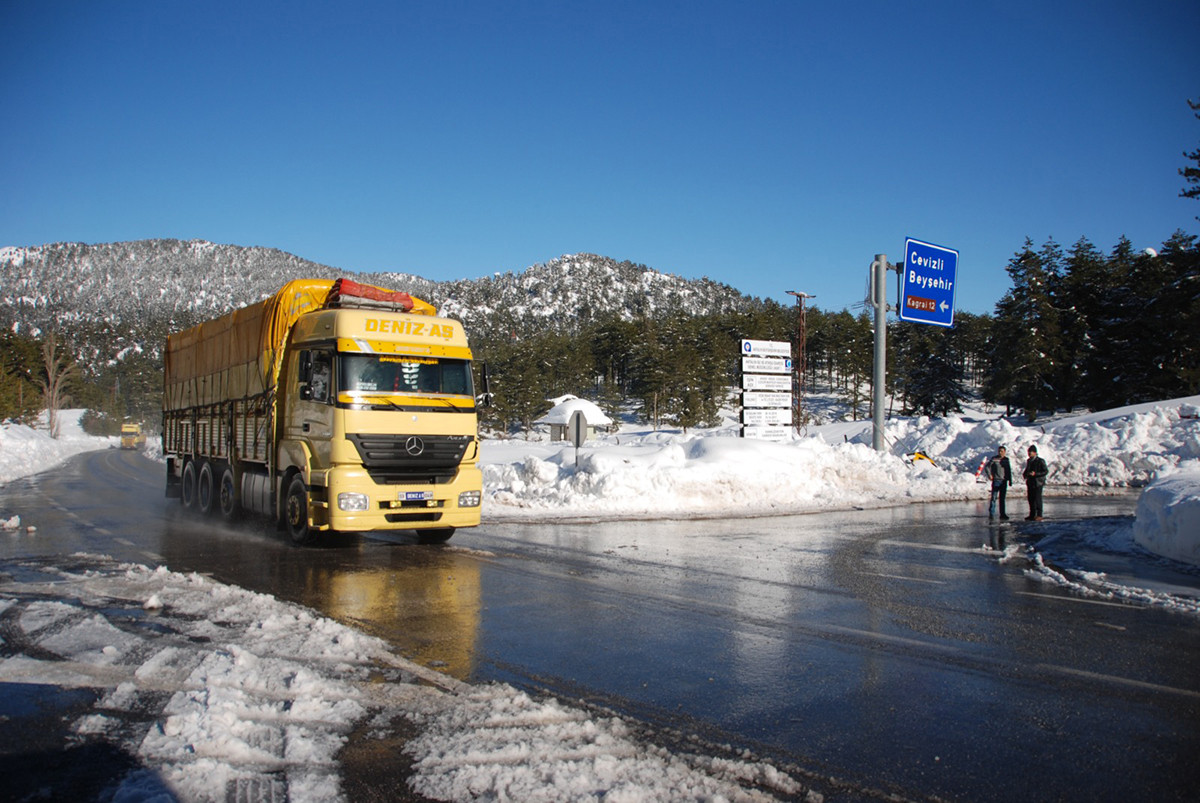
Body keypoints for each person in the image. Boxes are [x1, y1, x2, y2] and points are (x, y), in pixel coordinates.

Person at [985, 445, 1012, 521]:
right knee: (994, 497)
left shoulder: (1006, 460)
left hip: (1004, 481)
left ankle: (1003, 514)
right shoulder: (994, 459)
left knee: (1002, 498)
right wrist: (989, 475)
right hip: (996, 480)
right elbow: (987, 467)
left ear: (1005, 452)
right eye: (999, 451)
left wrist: (1010, 480)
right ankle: (991, 513)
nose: (1000, 452)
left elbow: (1008, 470)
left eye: (1002, 451)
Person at [1022, 445, 1049, 521]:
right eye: (1028, 452)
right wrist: (1025, 474)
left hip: (1038, 483)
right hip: (1030, 482)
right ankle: (1032, 514)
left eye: (1030, 452)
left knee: (1037, 499)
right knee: (1031, 499)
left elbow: (1045, 471)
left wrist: (1036, 474)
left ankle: (1039, 514)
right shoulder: (1029, 461)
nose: (1029, 453)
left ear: (1035, 452)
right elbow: (1027, 469)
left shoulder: (1040, 461)